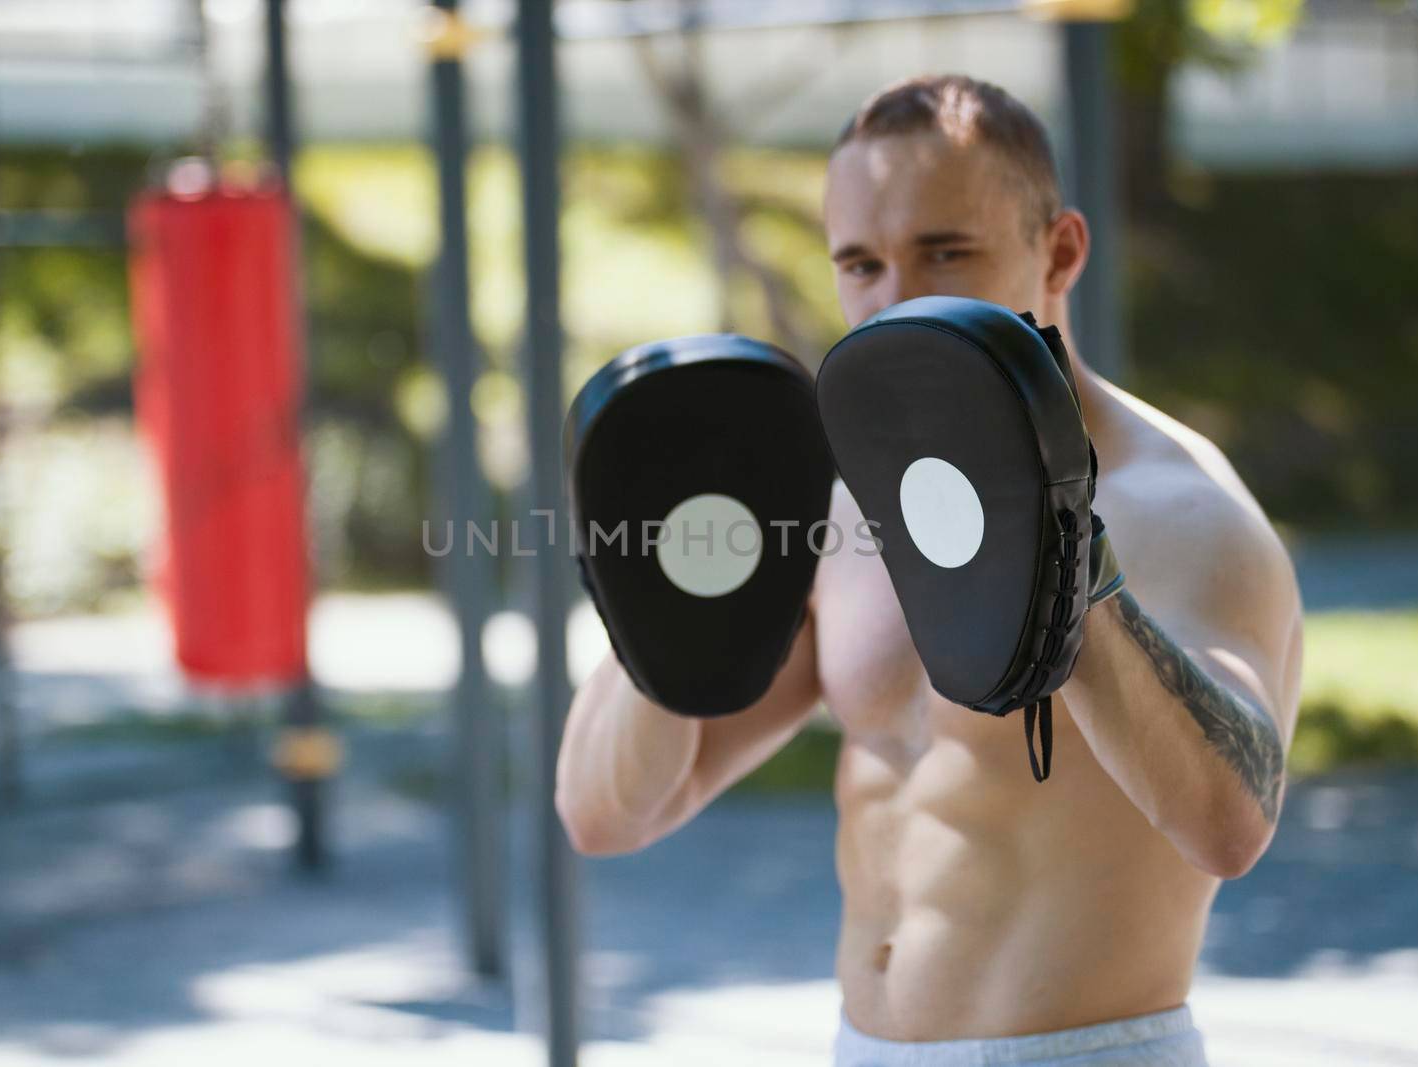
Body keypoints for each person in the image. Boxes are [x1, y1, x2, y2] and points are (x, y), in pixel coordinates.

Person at [555, 74, 1303, 1065]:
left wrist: (1074, 570)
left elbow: (1230, 826)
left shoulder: (1183, 508)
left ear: (1060, 251)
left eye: (943, 251)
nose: (894, 298)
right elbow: (609, 811)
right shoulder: (838, 503)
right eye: (860, 263)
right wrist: (666, 608)